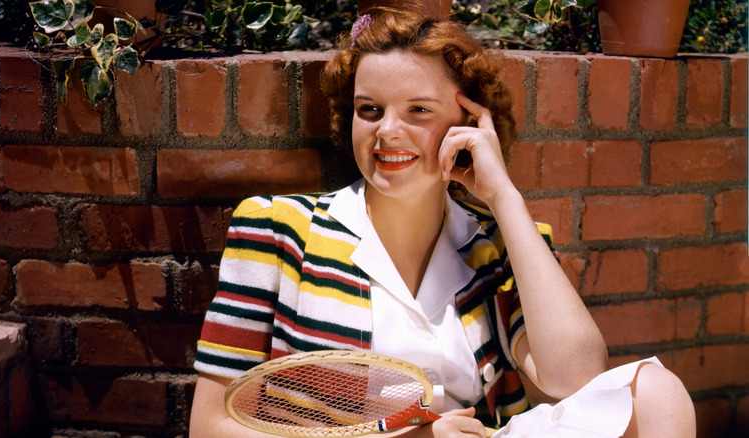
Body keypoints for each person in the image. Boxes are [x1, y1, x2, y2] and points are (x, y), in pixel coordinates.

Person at [189, 9, 696, 438]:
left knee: (655, 393)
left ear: (466, 126)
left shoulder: (500, 244)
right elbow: (209, 424)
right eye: (371, 110)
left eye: (418, 110)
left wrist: (503, 196)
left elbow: (577, 375)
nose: (388, 131)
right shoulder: (278, 230)